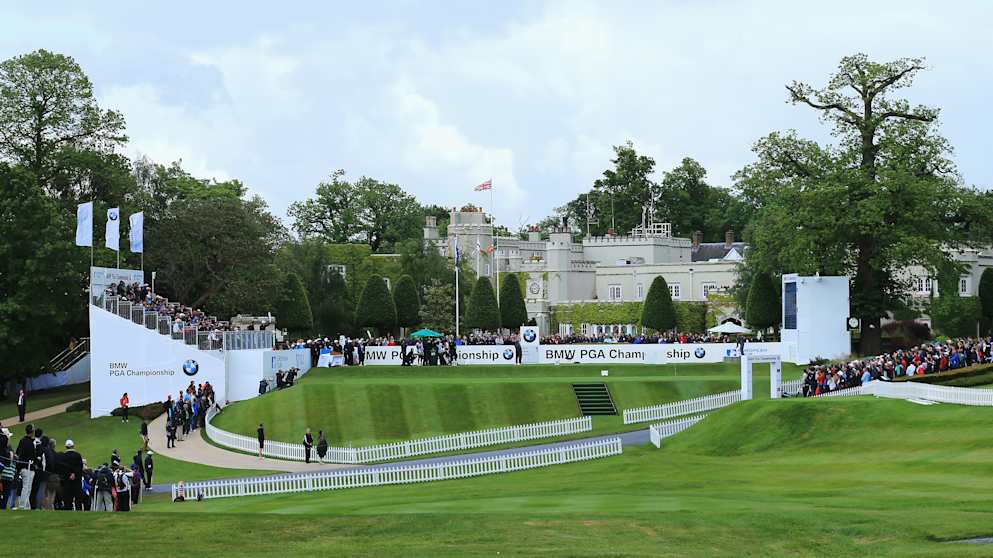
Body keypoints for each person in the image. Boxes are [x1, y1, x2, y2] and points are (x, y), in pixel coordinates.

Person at [14, 424, 35, 509]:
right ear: (32, 431)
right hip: (28, 467)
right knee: (26, 487)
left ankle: (26, 506)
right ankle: (23, 505)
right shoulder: (32, 442)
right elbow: (33, 455)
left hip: (23, 467)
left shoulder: (22, 440)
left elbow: (17, 453)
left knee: (27, 487)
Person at [61, 439, 84, 511]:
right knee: (78, 497)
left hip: (67, 480)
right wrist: (74, 474)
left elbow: (63, 468)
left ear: (66, 447)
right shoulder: (78, 455)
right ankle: (78, 510)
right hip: (77, 480)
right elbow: (80, 467)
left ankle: (68, 510)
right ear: (73, 446)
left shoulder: (63, 456)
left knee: (68, 497)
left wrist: (69, 474)